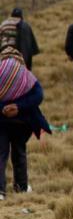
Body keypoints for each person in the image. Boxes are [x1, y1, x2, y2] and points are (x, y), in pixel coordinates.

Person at [0, 47, 50, 201]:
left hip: (1, 121)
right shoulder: (26, 74)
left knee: (0, 155)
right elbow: (38, 95)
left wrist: (3, 109)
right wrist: (18, 107)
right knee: (19, 152)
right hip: (22, 122)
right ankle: (21, 187)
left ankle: (0, 192)